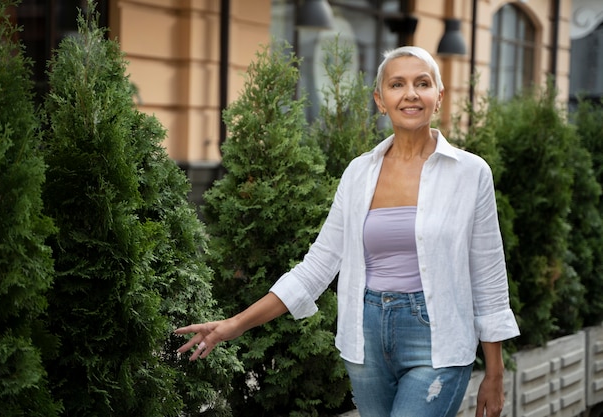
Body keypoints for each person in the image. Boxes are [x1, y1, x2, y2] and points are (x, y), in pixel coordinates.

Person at [175, 45, 520, 417]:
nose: (410, 94)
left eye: (422, 83)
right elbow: (318, 265)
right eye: (397, 84)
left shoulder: (470, 173)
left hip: (438, 341)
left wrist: (494, 372)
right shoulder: (359, 173)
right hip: (366, 339)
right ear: (380, 99)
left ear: (439, 96)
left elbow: (488, 275)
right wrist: (235, 325)